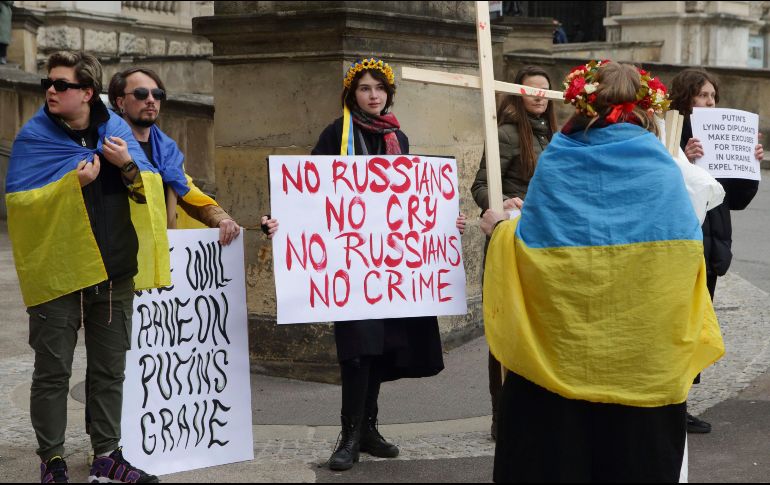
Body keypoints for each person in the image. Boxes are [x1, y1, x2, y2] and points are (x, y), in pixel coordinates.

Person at [482, 60, 724, 482]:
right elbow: (686, 256)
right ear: (644, 108)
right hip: (641, 365)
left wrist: (501, 229)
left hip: (559, 365)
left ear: (582, 104)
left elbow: (529, 248)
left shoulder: (558, 158)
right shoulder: (660, 168)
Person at [261, 57, 467, 472]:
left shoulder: (397, 137)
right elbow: (308, 192)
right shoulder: (336, 134)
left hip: (391, 269)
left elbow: (409, 199)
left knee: (384, 348)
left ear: (389, 94)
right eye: (364, 88)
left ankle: (369, 429)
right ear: (351, 95)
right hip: (352, 268)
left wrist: (444, 220)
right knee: (358, 351)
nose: (373, 95)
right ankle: (350, 434)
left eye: (379, 88)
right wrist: (277, 221)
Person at [5, 51, 169, 483]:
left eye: (62, 85)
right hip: (58, 274)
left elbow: (148, 190)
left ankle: (107, 457)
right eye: (48, 83)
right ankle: (52, 460)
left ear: (88, 93)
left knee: (109, 370)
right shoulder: (34, 137)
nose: (51, 91)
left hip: (113, 273)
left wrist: (126, 165)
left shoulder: (116, 130)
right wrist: (70, 185)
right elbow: (19, 206)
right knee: (53, 372)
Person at [670, 68, 763, 434]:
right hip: (683, 243)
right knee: (678, 326)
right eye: (702, 95)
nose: (709, 102)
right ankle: (670, 405)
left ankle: (681, 404)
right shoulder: (671, 134)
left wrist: (749, 165)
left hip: (712, 249)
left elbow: (736, 199)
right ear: (685, 98)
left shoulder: (722, 136)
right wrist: (685, 159)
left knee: (698, 327)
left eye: (712, 96)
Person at [470, 65, 558, 441]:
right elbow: (480, 184)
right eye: (531, 90)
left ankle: (535, 411)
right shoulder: (505, 133)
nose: (538, 96)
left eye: (544, 91)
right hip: (509, 238)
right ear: (517, 94)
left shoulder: (558, 138)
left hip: (545, 242)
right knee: (504, 325)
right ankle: (500, 413)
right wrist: (502, 200)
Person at [108, 67, 240, 244]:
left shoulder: (168, 151)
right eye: (141, 94)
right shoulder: (107, 145)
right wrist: (128, 167)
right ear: (120, 102)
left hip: (163, 252)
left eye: (157, 94)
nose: (151, 100)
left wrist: (221, 219)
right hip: (122, 251)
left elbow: (188, 193)